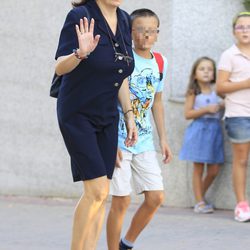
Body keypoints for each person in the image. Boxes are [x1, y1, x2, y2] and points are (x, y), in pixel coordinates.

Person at [54, 0, 137, 249]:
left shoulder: (124, 19)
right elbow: (60, 67)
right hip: (77, 112)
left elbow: (119, 72)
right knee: (97, 190)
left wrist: (129, 115)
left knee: (101, 194)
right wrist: (80, 53)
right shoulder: (81, 15)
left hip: (108, 115)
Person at [106, 9, 172, 250]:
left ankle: (127, 243)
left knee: (156, 197)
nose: (146, 35)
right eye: (140, 30)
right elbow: (106, 100)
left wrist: (163, 139)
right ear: (130, 32)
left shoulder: (160, 61)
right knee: (121, 201)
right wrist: (109, 142)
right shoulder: (122, 58)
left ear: (157, 33)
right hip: (119, 141)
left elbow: (158, 101)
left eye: (151, 30)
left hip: (144, 142)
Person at [179, 57, 224, 214]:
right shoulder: (193, 91)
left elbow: (221, 104)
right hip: (199, 131)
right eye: (202, 69)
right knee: (198, 168)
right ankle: (199, 202)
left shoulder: (216, 91)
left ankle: (200, 198)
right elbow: (187, 113)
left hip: (215, 132)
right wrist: (206, 109)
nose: (206, 72)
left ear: (214, 74)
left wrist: (222, 104)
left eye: (209, 69)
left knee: (214, 170)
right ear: (195, 74)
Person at [217, 12, 250, 222]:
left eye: (249, 27)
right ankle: (241, 204)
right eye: (241, 27)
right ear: (233, 31)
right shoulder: (229, 55)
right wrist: (246, 83)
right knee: (241, 160)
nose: (245, 31)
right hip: (238, 115)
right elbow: (220, 87)